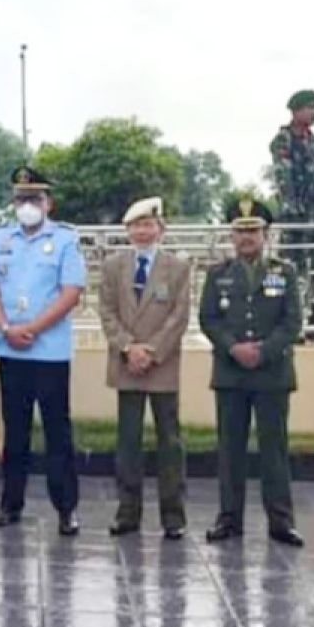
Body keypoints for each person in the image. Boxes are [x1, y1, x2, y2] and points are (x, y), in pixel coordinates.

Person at [0, 166, 86, 535]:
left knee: (57, 433)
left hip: (49, 352)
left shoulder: (64, 240)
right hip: (10, 350)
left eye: (34, 199)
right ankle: (11, 504)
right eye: (21, 199)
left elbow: (71, 292)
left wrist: (33, 328)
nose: (26, 205)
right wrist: (7, 328)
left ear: (48, 203)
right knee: (16, 432)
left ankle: (66, 508)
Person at [201, 197, 304, 547]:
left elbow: (292, 322)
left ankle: (281, 521)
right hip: (231, 374)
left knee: (274, 449)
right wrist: (233, 348)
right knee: (230, 450)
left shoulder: (283, 272)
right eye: (240, 231)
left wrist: (262, 351)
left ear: (266, 233)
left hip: (271, 373)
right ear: (231, 234)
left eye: (253, 231)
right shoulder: (218, 274)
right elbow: (208, 318)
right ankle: (229, 519)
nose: (246, 238)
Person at [98, 197, 190, 540]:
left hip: (161, 364)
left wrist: (151, 352)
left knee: (169, 441)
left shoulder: (178, 268)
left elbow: (179, 316)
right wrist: (128, 348)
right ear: (128, 230)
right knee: (128, 441)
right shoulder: (112, 266)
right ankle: (128, 512)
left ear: (160, 230)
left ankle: (173, 515)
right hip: (126, 364)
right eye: (136, 225)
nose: (142, 231)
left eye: (148, 225)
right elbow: (106, 311)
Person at [269, 89, 314, 330]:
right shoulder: (284, 140)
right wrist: (293, 209)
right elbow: (284, 177)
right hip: (295, 216)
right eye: (308, 108)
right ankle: (288, 316)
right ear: (295, 111)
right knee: (290, 266)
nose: (313, 113)